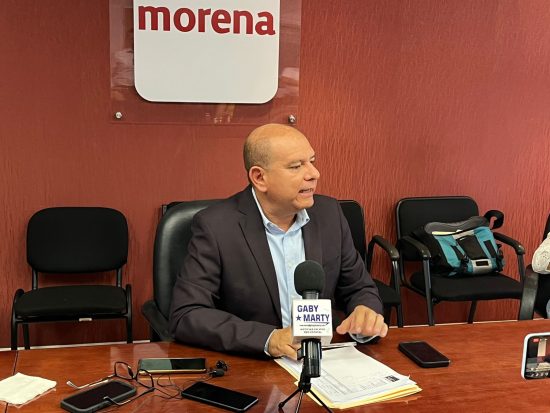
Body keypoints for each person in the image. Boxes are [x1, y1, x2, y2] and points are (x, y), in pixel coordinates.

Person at [169, 123, 387, 358]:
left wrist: (365, 312)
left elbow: (359, 288)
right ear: (259, 177)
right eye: (296, 166)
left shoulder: (329, 214)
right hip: (256, 363)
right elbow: (188, 314)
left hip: (326, 358)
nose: (314, 173)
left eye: (312, 161)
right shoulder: (217, 227)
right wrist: (268, 339)